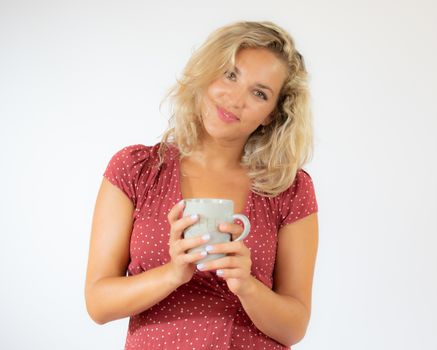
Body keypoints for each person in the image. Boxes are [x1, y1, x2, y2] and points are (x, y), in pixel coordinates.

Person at [85, 20, 319, 349]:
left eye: (259, 93)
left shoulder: (289, 189)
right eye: (230, 74)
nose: (236, 99)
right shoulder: (136, 170)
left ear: (271, 114)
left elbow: (294, 327)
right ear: (208, 71)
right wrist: (173, 273)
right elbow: (98, 303)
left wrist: (246, 285)